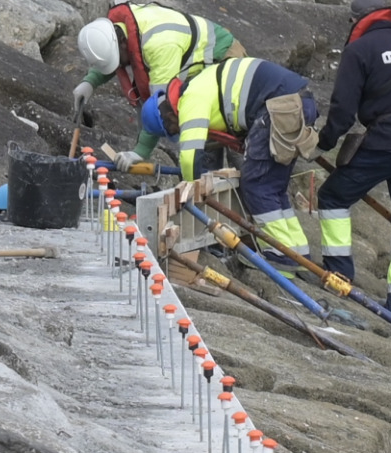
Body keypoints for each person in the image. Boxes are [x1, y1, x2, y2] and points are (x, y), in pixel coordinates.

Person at [312, 0, 391, 323]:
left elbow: (342, 110)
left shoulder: (359, 50)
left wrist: (323, 143)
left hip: (388, 141)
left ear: (356, 19)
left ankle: (339, 271)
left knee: (333, 196)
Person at [141, 57, 319, 273]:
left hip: (280, 105)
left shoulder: (190, 99)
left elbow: (189, 156)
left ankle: (279, 258)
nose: (176, 130)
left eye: (171, 127)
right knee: (273, 188)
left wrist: (191, 193)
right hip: (297, 101)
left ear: (167, 113)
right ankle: (297, 255)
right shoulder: (200, 86)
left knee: (256, 185)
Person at [72, 2, 245, 172]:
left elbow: (162, 105)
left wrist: (140, 151)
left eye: (118, 61)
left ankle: (238, 185)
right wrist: (90, 82)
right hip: (198, 67)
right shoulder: (120, 31)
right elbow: (114, 54)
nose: (120, 67)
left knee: (220, 132)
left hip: (223, 59)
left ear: (123, 43)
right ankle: (208, 186)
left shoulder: (159, 45)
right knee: (203, 142)